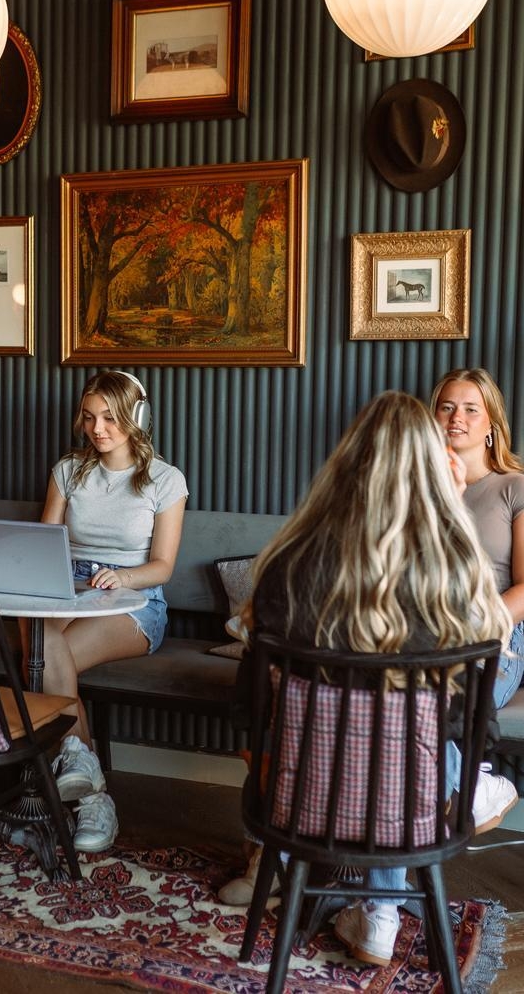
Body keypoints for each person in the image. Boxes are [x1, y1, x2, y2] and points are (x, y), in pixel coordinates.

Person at [224, 392, 517, 966]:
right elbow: (464, 716)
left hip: (295, 799)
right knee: (455, 759)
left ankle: (298, 871)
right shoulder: (450, 575)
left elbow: (248, 705)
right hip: (410, 806)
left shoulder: (290, 562)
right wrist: (453, 511)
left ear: (346, 460)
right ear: (434, 470)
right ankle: (382, 905)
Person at [32, 371, 187, 853]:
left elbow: (161, 567)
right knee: (40, 642)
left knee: (46, 653)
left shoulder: (165, 479)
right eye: (90, 417)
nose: (98, 429)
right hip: (67, 586)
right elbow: (43, 544)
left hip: (134, 599)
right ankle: (88, 780)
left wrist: (122, 576)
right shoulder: (68, 470)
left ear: (136, 418)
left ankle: (83, 783)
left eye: (111, 418)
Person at [432, 368, 524, 708]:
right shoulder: (419, 492)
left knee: (451, 705)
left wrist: (471, 631)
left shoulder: (515, 487)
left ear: (491, 424)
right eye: (446, 407)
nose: (457, 417)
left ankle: (471, 763)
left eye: (471, 409)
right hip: (429, 626)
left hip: (497, 629)